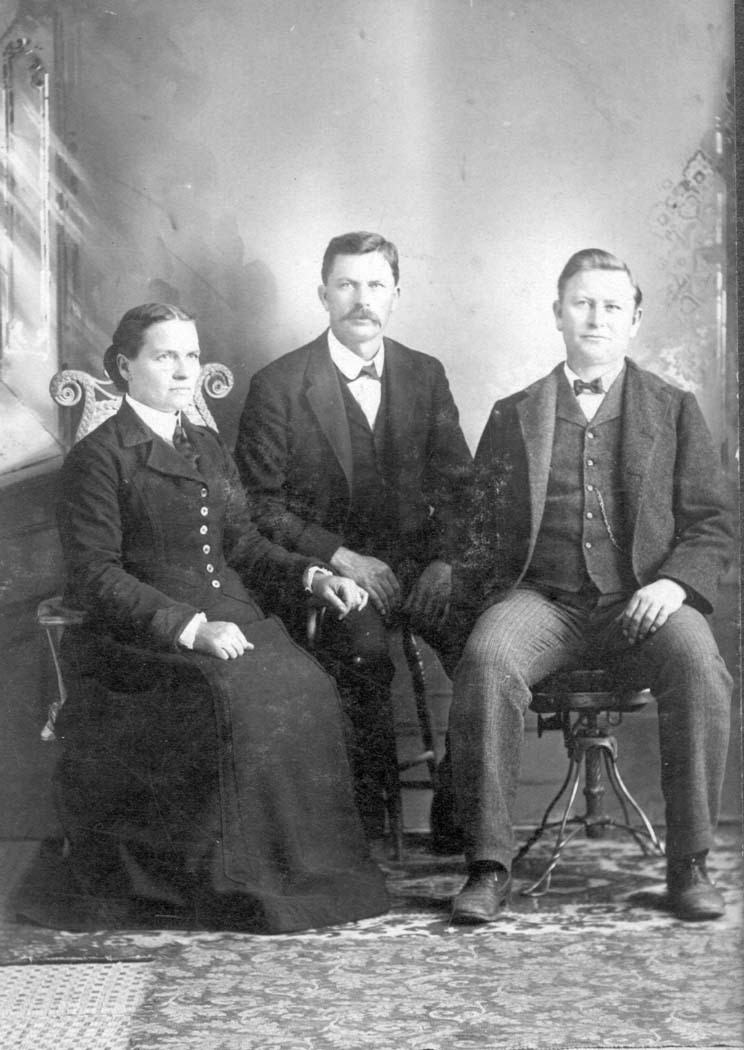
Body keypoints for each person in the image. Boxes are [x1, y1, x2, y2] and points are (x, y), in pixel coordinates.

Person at [52, 302, 389, 934]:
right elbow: (96, 574)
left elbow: (243, 544)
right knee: (237, 699)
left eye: (191, 355)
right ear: (125, 366)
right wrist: (189, 627)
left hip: (234, 619)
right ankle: (238, 877)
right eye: (165, 357)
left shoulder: (206, 444)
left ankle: (301, 871)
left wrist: (313, 576)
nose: (185, 371)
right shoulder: (99, 457)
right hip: (143, 642)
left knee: (306, 685)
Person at [447, 249, 734, 925]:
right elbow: (476, 530)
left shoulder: (674, 409)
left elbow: (712, 522)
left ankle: (689, 864)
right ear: (557, 313)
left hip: (643, 600)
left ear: (634, 319)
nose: (596, 318)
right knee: (487, 660)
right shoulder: (513, 413)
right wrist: (496, 597)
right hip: (543, 600)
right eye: (582, 303)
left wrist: (673, 585)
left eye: (612, 305)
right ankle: (488, 867)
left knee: (700, 664)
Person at [235, 232, 473, 845]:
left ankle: (457, 811)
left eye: (375, 285)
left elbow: (460, 490)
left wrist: (444, 563)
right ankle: (367, 831)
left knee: (489, 643)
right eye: (346, 285)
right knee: (363, 653)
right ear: (323, 295)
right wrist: (338, 556)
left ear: (396, 295)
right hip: (333, 576)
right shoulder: (278, 384)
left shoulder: (425, 374)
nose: (361, 299)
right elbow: (258, 507)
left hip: (419, 570)